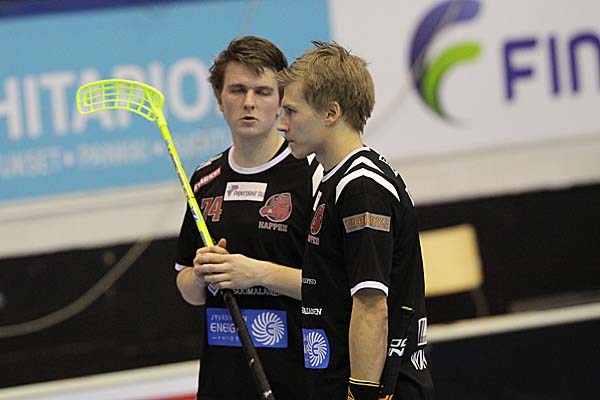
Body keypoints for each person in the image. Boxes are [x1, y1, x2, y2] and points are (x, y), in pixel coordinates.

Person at [276, 41, 434, 399]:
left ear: (331, 113)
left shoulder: (361, 187)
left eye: (291, 111)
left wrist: (360, 394)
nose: (282, 124)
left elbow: (371, 305)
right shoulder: (333, 179)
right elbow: (327, 286)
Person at [174, 36, 321, 400]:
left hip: (298, 380)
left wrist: (256, 273)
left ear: (282, 100)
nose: (249, 102)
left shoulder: (312, 175)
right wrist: (201, 274)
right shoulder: (205, 179)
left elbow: (333, 287)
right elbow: (188, 288)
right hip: (223, 382)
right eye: (237, 90)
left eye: (262, 91)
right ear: (219, 99)